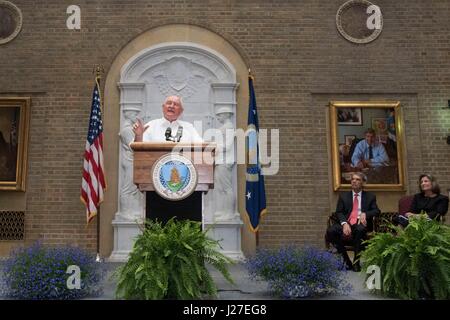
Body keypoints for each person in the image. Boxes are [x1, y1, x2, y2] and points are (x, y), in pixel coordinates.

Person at [326, 172, 381, 271]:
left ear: (363, 182)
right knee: (331, 231)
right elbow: (339, 212)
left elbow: (376, 211)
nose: (354, 181)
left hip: (359, 224)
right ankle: (346, 261)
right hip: (347, 222)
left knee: (360, 229)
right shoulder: (343, 196)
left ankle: (356, 261)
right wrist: (344, 223)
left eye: (357, 179)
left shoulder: (370, 196)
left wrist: (365, 214)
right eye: (353, 179)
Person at [132, 95, 202, 143]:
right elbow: (136, 150)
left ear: (181, 111)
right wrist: (139, 135)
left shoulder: (189, 127)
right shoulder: (151, 126)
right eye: (169, 103)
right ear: (163, 107)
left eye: (176, 104)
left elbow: (201, 146)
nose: (171, 106)